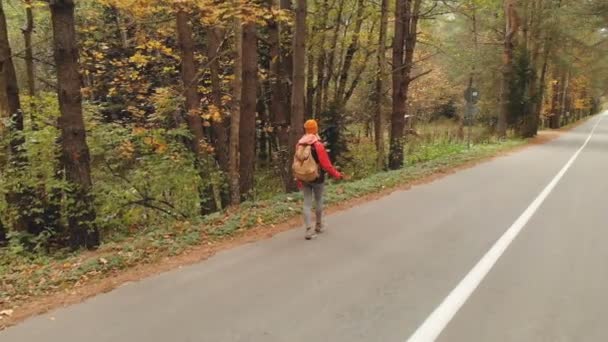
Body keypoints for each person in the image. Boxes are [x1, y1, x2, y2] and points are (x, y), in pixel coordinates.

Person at [295, 119, 343, 240]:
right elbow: (326, 165)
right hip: (317, 178)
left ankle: (308, 230)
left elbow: (297, 163)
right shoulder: (318, 145)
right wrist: (337, 174)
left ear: (305, 130)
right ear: (315, 129)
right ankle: (319, 226)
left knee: (307, 203)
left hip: (304, 177)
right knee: (319, 200)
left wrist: (299, 179)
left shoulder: (299, 144)